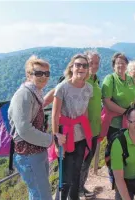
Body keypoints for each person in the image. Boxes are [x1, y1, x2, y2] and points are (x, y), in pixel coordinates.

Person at [8, 55, 66, 200]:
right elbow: (24, 129)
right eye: (38, 73)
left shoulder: (35, 93)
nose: (43, 77)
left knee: (38, 192)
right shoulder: (23, 95)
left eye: (46, 73)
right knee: (42, 195)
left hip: (37, 151)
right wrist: (51, 139)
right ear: (29, 75)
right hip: (28, 154)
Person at [51, 54, 93, 200]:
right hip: (66, 136)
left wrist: (87, 133)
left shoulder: (89, 88)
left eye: (84, 65)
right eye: (78, 65)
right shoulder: (62, 88)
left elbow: (85, 112)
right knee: (65, 177)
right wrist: (56, 139)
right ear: (72, 67)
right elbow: (55, 115)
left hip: (81, 135)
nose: (81, 68)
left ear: (88, 70)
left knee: (76, 173)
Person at [79, 50, 102, 198]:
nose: (94, 66)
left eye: (96, 63)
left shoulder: (95, 80)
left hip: (94, 128)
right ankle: (76, 190)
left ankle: (81, 187)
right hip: (82, 130)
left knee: (87, 161)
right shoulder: (82, 81)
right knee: (81, 161)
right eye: (91, 63)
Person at [100, 53, 135, 140]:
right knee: (115, 148)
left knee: (129, 147)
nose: (121, 65)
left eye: (123, 63)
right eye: (118, 63)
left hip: (130, 121)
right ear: (113, 66)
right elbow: (106, 101)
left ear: (126, 65)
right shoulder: (110, 79)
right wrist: (126, 112)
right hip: (114, 123)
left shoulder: (130, 79)